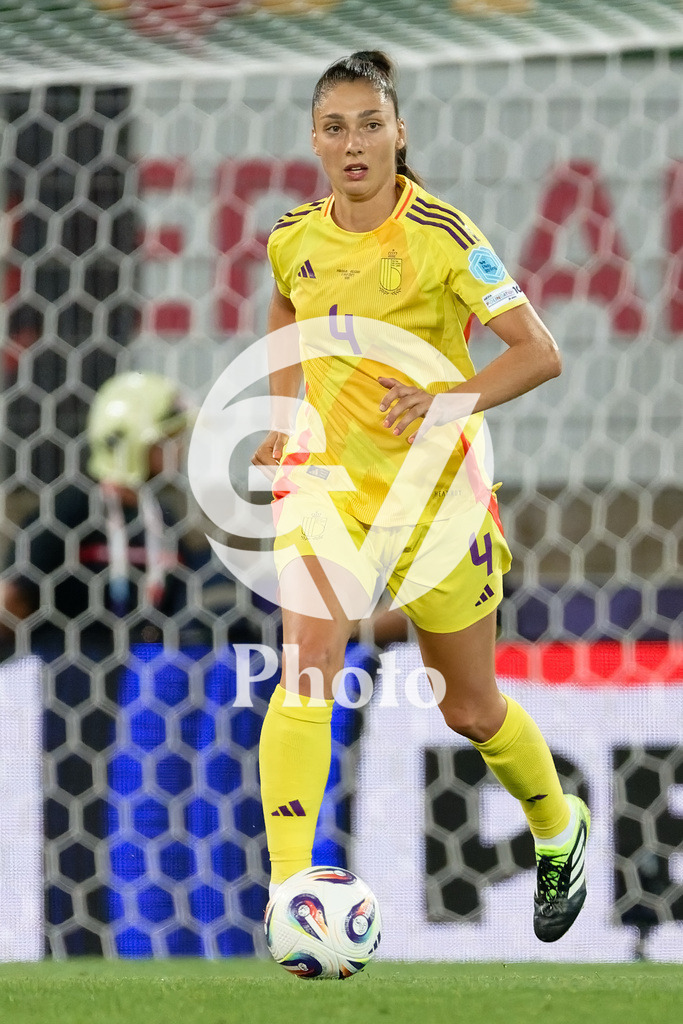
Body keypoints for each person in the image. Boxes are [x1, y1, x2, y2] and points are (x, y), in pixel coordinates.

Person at [252, 50, 589, 943]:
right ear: (314, 141)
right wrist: (287, 416)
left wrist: (447, 400)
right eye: (336, 127)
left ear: (399, 134)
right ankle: (292, 894)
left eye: (370, 124)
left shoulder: (442, 235)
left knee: (467, 708)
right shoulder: (292, 236)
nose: (354, 142)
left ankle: (559, 828)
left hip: (435, 503)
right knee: (307, 667)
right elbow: (286, 313)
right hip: (325, 489)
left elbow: (537, 351)